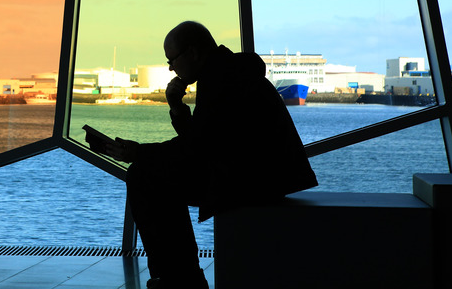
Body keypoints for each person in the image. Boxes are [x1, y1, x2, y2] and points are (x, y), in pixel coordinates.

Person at [104, 21, 317, 289]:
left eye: (172, 60)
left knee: (144, 176)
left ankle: (180, 280)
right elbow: (202, 141)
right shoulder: (229, 71)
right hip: (263, 174)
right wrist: (177, 107)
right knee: (151, 173)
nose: (171, 68)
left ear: (193, 53)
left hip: (254, 180)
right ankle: (180, 277)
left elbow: (197, 147)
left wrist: (139, 152)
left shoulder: (220, 79)